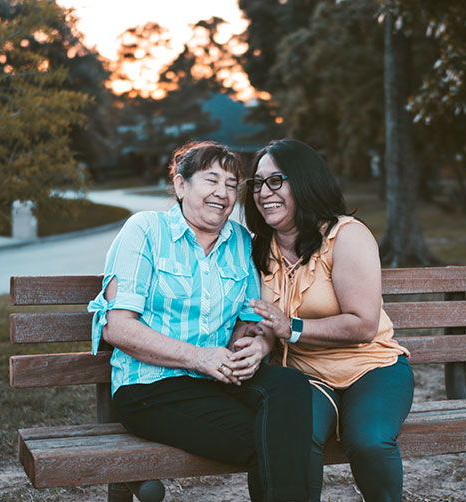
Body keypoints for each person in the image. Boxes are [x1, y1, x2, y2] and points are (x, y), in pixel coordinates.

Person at [88, 141, 312, 502]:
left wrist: (257, 345)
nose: (222, 193)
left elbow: (252, 320)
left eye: (230, 184)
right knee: (273, 439)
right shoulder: (145, 231)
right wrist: (199, 357)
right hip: (151, 389)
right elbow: (117, 326)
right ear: (181, 185)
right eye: (211, 180)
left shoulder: (241, 242)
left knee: (290, 386)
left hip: (216, 379)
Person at [242, 139, 414, 502]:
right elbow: (259, 320)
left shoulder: (346, 236)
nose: (263, 192)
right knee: (292, 441)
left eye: (276, 181)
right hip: (304, 376)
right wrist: (256, 340)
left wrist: (292, 327)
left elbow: (364, 324)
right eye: (257, 183)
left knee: (368, 441)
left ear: (304, 182)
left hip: (372, 369)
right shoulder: (257, 247)